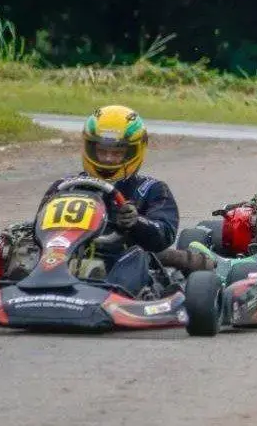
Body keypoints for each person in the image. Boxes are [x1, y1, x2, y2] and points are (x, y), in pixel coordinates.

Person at [11, 105, 208, 296]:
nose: (107, 159)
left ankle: (115, 294)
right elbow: (41, 228)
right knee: (16, 248)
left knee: (137, 254)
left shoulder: (151, 189)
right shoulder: (64, 186)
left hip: (119, 260)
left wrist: (136, 223)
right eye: (102, 151)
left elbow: (164, 234)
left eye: (117, 153)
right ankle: (24, 283)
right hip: (62, 255)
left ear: (134, 151)